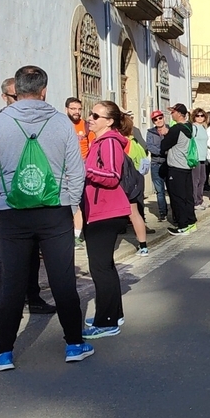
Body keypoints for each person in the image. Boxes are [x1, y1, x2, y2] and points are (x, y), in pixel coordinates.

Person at [0, 65, 91, 371]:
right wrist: (70, 204)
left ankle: (4, 351)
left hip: (13, 213)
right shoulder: (60, 123)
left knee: (13, 282)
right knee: (62, 278)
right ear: (44, 90)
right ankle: (74, 343)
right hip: (54, 211)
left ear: (15, 89)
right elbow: (75, 170)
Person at [0, 78, 56, 315]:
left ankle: (34, 297)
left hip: (38, 196)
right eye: (14, 97)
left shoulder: (39, 120)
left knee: (32, 255)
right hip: (10, 200)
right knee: (7, 257)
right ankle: (8, 301)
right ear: (6, 98)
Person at [80, 101, 131, 339]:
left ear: (109, 121)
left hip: (106, 211)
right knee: (106, 266)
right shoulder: (100, 141)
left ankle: (107, 321)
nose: (89, 118)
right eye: (91, 114)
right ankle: (113, 313)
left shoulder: (109, 142)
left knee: (100, 267)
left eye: (95, 115)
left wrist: (83, 169)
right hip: (100, 211)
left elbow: (112, 176)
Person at [158, 103, 196, 235]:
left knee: (177, 197)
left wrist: (165, 135)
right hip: (187, 165)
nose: (171, 114)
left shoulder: (176, 129)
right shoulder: (190, 127)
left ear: (179, 113)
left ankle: (182, 225)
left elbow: (164, 146)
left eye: (173, 112)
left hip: (176, 166)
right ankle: (191, 221)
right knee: (188, 196)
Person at [117, 112, 151, 256]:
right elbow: (144, 158)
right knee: (135, 213)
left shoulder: (121, 143)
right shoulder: (135, 142)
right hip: (138, 180)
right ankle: (143, 246)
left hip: (124, 181)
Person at [64, 97, 92, 248]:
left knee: (79, 203)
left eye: (79, 109)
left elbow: (92, 146)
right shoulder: (62, 125)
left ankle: (76, 236)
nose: (76, 112)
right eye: (73, 109)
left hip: (82, 168)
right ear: (66, 109)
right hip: (64, 168)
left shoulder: (86, 126)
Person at [145, 110, 169, 221]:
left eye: (160, 118)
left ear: (163, 118)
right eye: (155, 119)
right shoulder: (150, 132)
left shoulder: (170, 130)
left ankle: (175, 214)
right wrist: (163, 151)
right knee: (160, 191)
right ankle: (162, 213)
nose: (158, 120)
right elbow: (150, 147)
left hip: (169, 163)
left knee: (172, 190)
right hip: (156, 164)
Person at [189, 108, 210, 211]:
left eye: (202, 116)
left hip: (203, 158)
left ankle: (200, 200)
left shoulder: (203, 128)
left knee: (202, 179)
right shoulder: (193, 128)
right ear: (194, 117)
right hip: (196, 157)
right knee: (195, 180)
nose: (200, 117)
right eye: (197, 115)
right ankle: (195, 202)